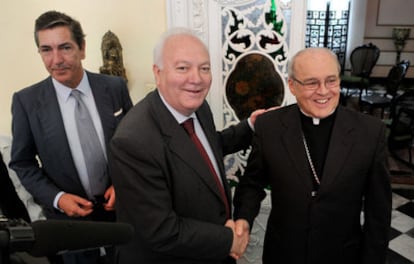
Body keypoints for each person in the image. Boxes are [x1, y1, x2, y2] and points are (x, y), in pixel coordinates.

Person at [109, 27, 266, 264]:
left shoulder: (197, 107)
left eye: (204, 68)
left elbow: (203, 151)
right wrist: (228, 240)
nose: (197, 78)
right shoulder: (132, 141)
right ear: (158, 72)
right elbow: (162, 230)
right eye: (183, 68)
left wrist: (250, 126)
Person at [233, 47, 392, 264]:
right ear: (292, 86)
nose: (324, 91)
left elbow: (378, 212)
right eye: (311, 83)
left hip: (343, 255)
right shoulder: (269, 127)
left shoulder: (370, 133)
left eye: (331, 80)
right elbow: (252, 183)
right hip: (283, 253)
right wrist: (244, 218)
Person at [9, 10, 133, 264]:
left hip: (123, 216)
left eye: (65, 47)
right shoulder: (26, 102)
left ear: (82, 48)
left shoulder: (115, 87)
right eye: (46, 50)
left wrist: (123, 183)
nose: (56, 60)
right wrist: (57, 198)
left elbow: (134, 146)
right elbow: (22, 163)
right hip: (68, 227)